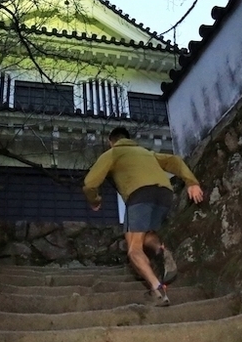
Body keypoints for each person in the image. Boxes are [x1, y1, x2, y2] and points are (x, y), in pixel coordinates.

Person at [83, 126, 204, 306]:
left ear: (111, 142)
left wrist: (95, 201)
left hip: (139, 196)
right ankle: (162, 251)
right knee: (146, 233)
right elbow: (175, 161)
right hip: (164, 194)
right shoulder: (146, 152)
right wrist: (192, 182)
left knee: (134, 250)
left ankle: (157, 290)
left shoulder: (113, 153)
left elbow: (89, 183)